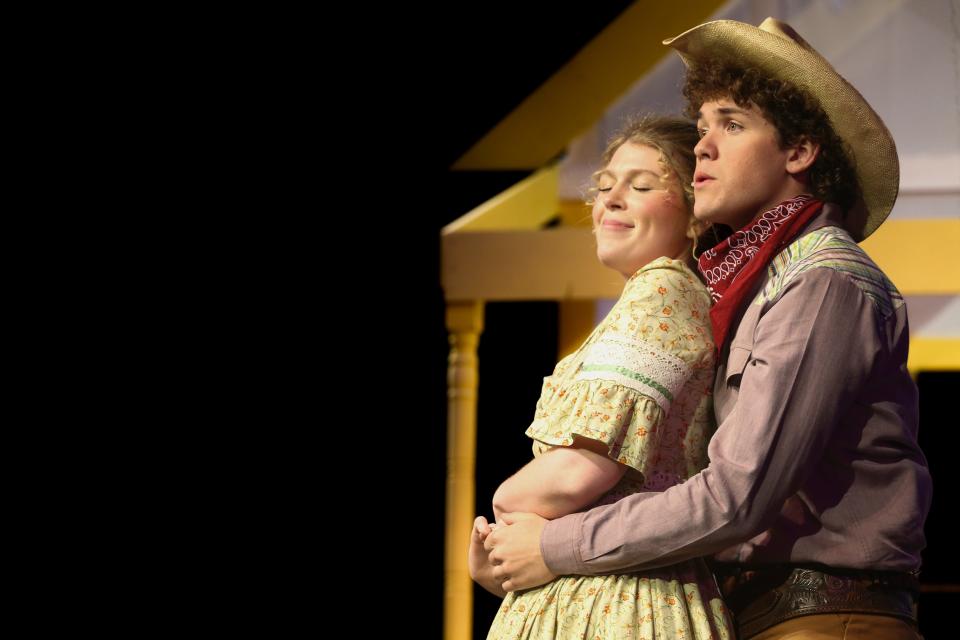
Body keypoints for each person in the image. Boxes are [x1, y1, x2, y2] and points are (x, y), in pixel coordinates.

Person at [482, 18, 932, 640]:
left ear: (799, 153)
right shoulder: (745, 288)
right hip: (760, 612)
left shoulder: (822, 281)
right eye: (701, 128)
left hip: (825, 617)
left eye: (733, 125)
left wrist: (554, 544)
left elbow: (737, 496)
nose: (704, 147)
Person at [468, 115, 735, 639]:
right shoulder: (653, 298)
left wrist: (506, 501)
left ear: (695, 216)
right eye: (605, 185)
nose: (611, 199)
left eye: (641, 186)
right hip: (598, 583)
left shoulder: (662, 290)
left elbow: (578, 476)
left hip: (622, 597)